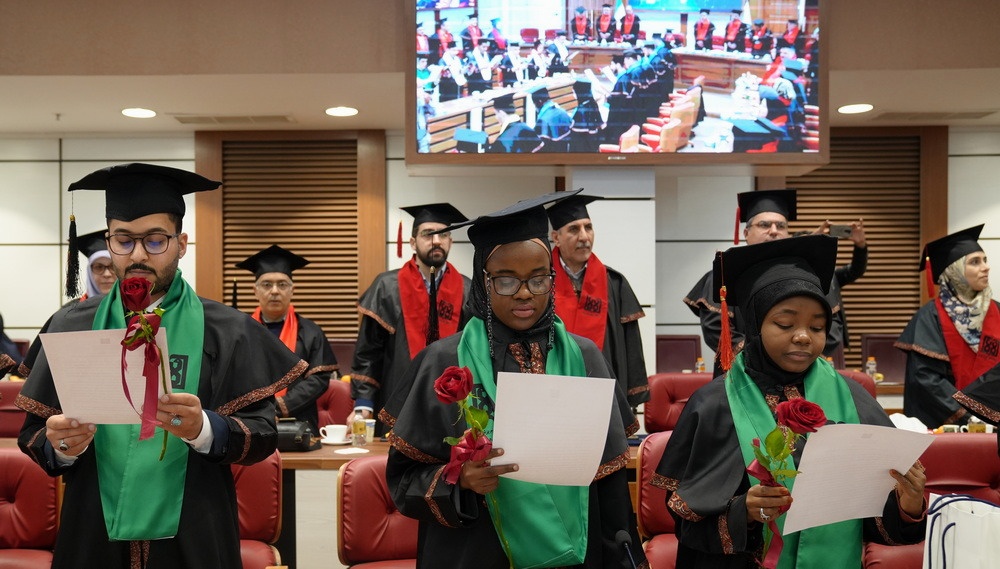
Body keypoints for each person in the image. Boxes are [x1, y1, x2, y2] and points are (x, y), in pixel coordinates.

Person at [15, 162, 306, 568]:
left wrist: (203, 428)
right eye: (123, 240)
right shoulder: (70, 325)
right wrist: (62, 446)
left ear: (181, 243)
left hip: (196, 532)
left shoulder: (228, 330)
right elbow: (33, 436)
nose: (137, 255)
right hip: (93, 531)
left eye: (154, 240)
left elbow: (262, 436)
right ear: (109, 241)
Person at [385, 190, 645, 569]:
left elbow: (609, 485)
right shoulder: (442, 362)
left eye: (538, 279)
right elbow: (403, 479)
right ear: (483, 282)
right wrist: (459, 479)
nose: (525, 294)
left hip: (576, 550)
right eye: (506, 280)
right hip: (476, 549)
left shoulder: (585, 356)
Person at [656, 234, 927, 568]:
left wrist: (908, 503)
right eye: (785, 323)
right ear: (755, 324)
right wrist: (745, 512)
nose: (803, 336)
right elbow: (687, 524)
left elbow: (875, 520)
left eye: (817, 327)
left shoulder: (853, 398)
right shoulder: (714, 404)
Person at [684, 189, 868, 366]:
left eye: (781, 226)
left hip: (801, 369)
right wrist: (763, 359)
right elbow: (716, 328)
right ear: (746, 233)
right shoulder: (724, 274)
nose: (773, 231)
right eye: (764, 225)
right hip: (740, 370)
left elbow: (832, 326)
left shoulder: (809, 277)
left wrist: (798, 355)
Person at [352, 203, 471, 435]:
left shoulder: (467, 290)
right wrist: (363, 404)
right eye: (428, 234)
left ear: (450, 242)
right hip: (395, 399)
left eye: (443, 234)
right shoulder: (386, 287)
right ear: (413, 242)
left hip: (451, 408)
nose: (436, 241)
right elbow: (368, 353)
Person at [546, 194, 649, 409]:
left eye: (588, 227)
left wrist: (630, 399)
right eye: (574, 229)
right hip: (550, 391)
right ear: (556, 237)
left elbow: (631, 346)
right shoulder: (540, 282)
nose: (584, 236)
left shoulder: (614, 283)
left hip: (603, 391)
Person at [897, 224, 1000, 429]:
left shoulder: (997, 311)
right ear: (954, 272)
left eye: (985, 260)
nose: (985, 267)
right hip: (947, 425)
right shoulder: (930, 317)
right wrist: (970, 415)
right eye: (975, 262)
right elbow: (926, 379)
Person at [236, 244, 338, 432]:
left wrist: (279, 405)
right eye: (267, 285)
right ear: (255, 291)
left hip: (299, 420)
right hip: (250, 421)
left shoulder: (310, 331)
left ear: (292, 290)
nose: (274, 291)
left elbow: (318, 380)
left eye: (282, 285)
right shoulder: (238, 332)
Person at [75, 229, 118, 299]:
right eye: (99, 267)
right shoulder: (74, 309)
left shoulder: (135, 309)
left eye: (113, 267)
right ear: (89, 272)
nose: (106, 274)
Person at [530, 85, 572, 153]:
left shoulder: (543, 121)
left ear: (539, 101)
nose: (535, 107)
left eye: (534, 104)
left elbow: (538, 147)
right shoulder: (562, 111)